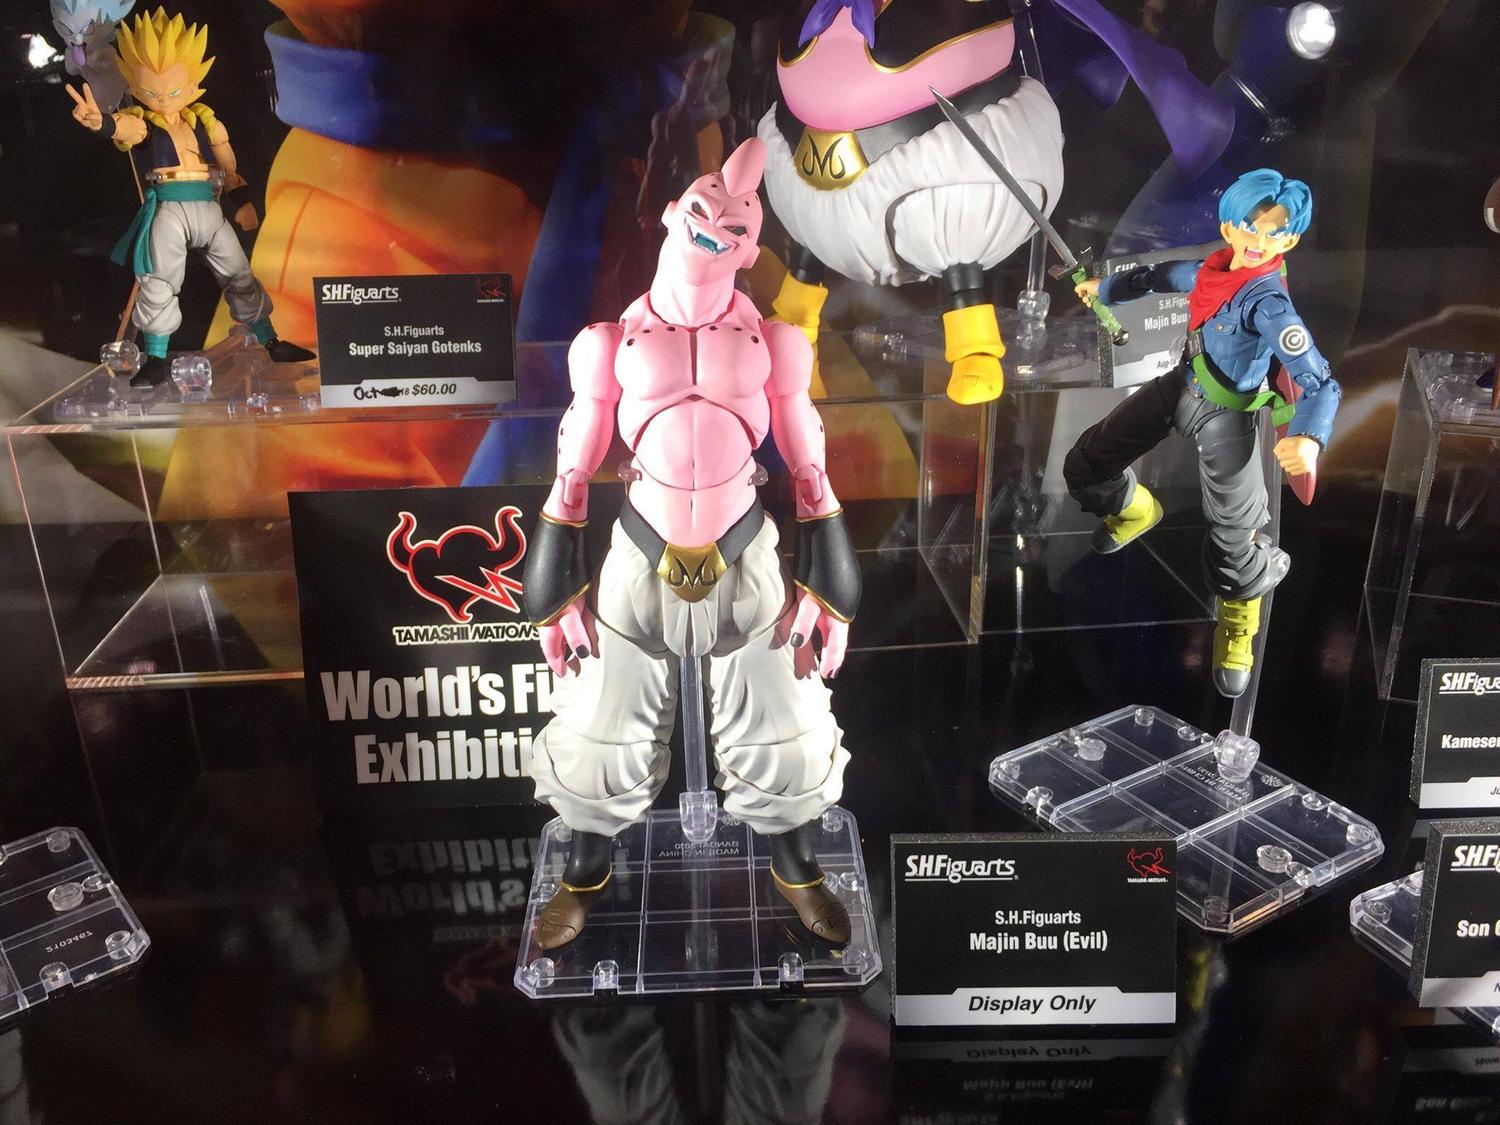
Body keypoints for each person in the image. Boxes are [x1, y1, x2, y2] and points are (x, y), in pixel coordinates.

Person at [521, 137, 860, 951]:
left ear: (749, 249)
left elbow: (809, 467)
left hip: (746, 550)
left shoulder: (775, 342)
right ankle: (584, 870)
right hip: (640, 550)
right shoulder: (608, 343)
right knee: (602, 723)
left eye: (740, 223)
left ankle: (795, 865)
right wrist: (554, 589)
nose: (722, 224)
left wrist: (833, 589)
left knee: (783, 720)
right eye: (708, 207)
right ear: (674, 214)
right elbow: (572, 470)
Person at [1064, 168, 1339, 697]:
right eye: (1250, 227)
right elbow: (1159, 276)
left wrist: (1309, 437)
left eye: (1275, 233)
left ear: (1290, 241)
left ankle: (1239, 626)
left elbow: (1320, 380)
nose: (1259, 241)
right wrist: (1107, 289)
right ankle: (1135, 510)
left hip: (1227, 415)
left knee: (1234, 537)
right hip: (1180, 386)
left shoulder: (1269, 304)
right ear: (1229, 225)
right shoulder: (1210, 271)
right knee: (1087, 463)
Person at [65, 8, 312, 387]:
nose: (164, 99)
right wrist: (102, 123)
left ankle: (271, 341)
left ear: (195, 83)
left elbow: (229, 168)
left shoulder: (206, 121)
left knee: (240, 273)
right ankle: (155, 358)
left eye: (175, 91)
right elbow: (127, 129)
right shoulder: (145, 122)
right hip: (169, 209)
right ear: (135, 85)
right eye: (152, 92)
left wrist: (242, 201)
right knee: (159, 282)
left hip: (208, 207)